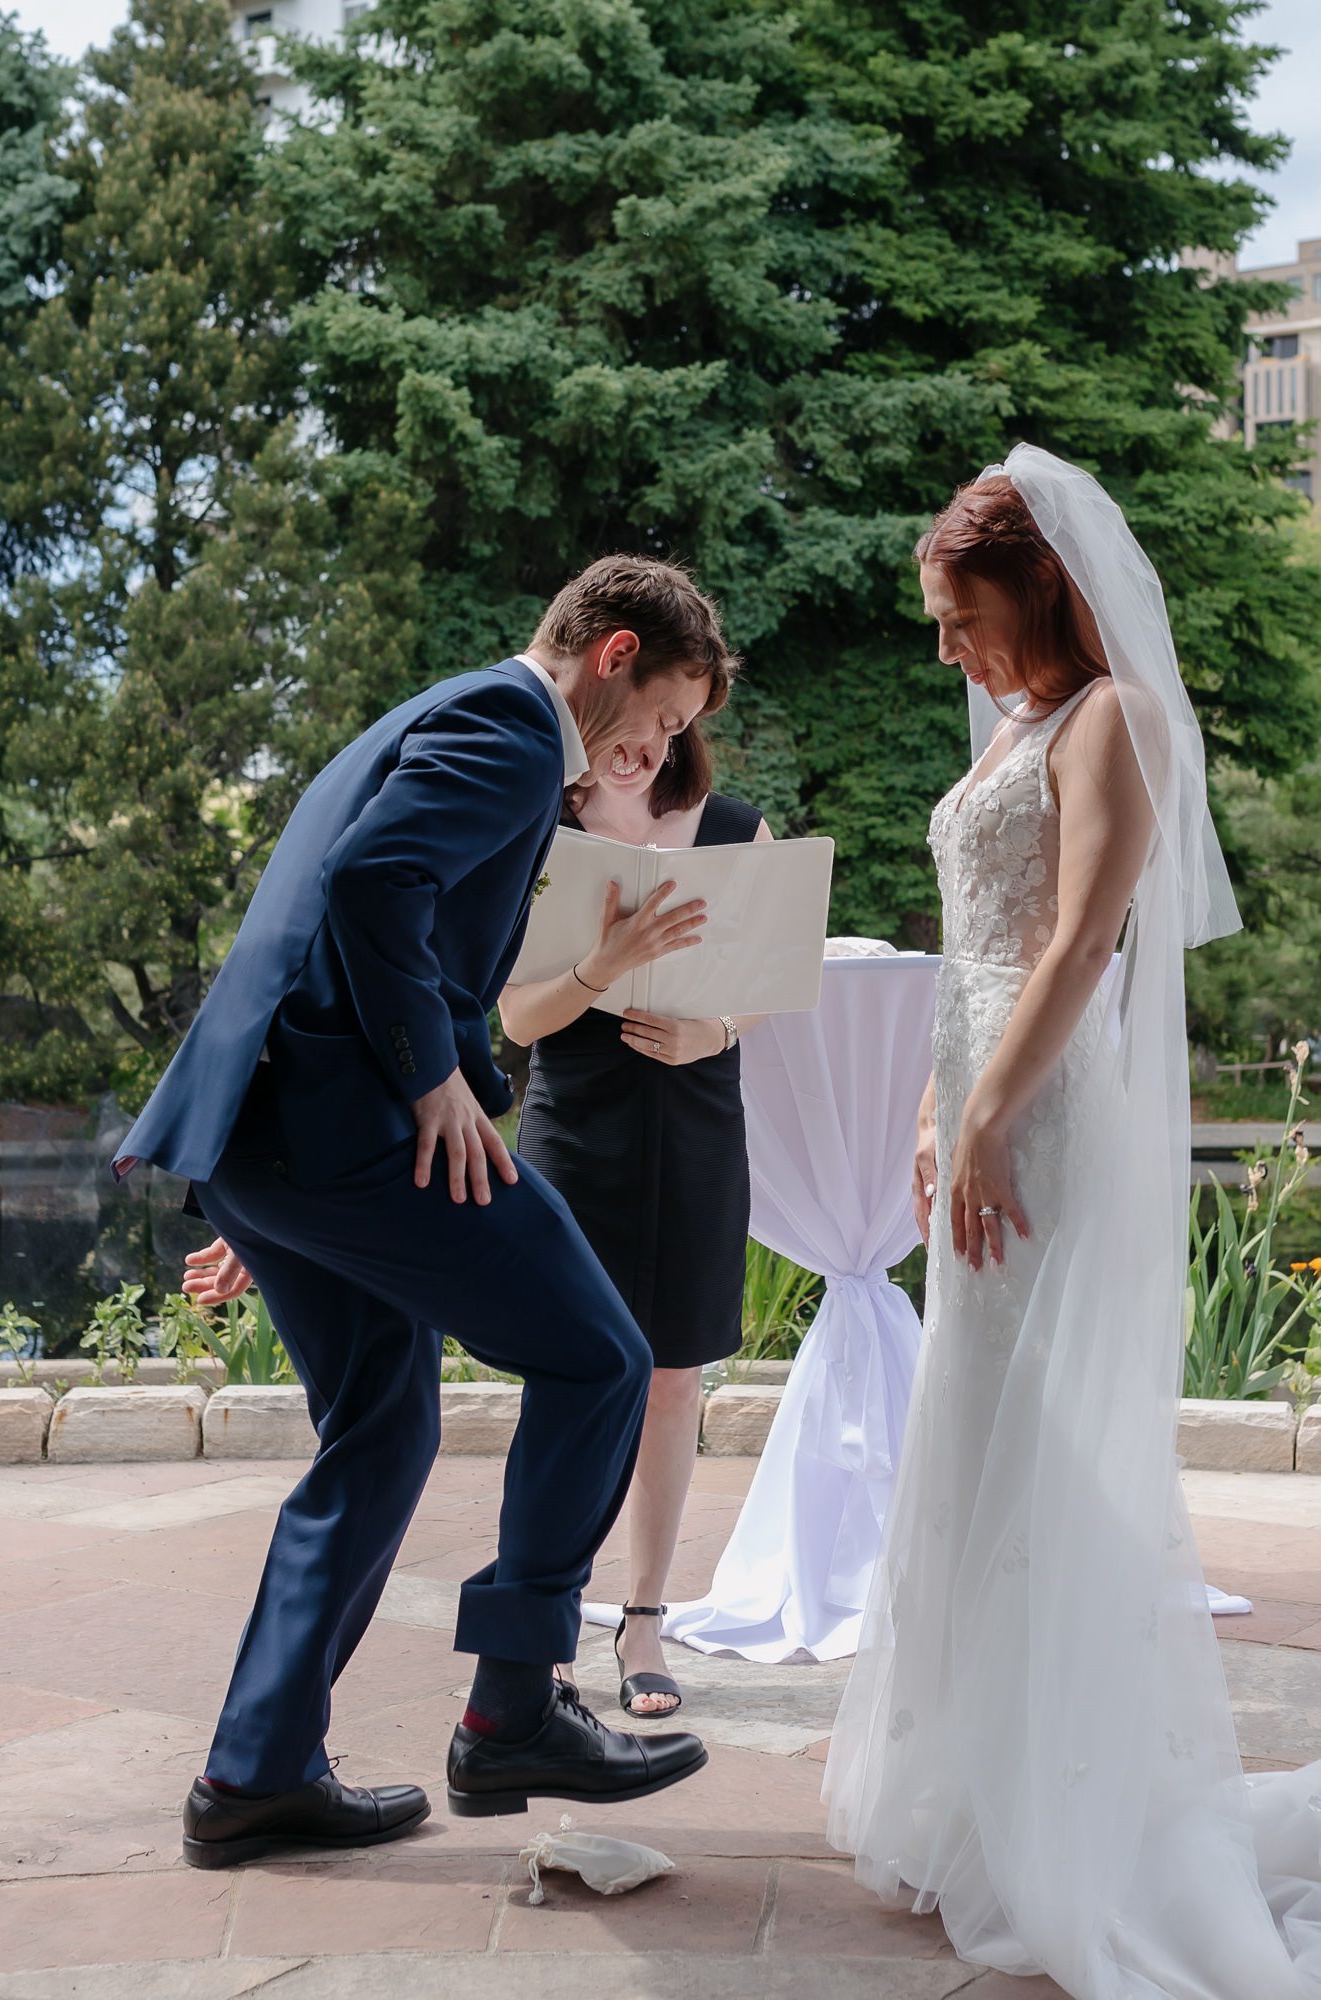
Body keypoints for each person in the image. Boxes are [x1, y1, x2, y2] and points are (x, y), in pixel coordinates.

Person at [113, 556, 731, 1867]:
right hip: (351, 1134)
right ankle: (512, 1705)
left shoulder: (444, 711)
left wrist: (274, 1187)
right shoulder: (511, 729)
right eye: (666, 719)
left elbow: (341, 911)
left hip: (286, 1140)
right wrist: (430, 1076)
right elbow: (370, 887)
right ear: (613, 654)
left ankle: (253, 1777)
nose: (657, 748)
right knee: (604, 1356)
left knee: (382, 1432)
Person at [824, 447, 1321, 1996]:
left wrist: (981, 1117)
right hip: (979, 1103)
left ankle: (1077, 1816)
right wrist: (928, 1110)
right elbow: (971, 941)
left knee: (1044, 1449)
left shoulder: (1114, 719)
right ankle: (983, 1795)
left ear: (1037, 587)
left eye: (958, 612)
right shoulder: (1015, 729)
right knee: (976, 1440)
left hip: (1043, 1122)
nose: (945, 644)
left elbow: (1086, 935)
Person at [499, 714, 771, 1716]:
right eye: (636, 720)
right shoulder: (538, 827)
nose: (650, 742)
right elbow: (517, 1019)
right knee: (571, 1374)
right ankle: (545, 1618)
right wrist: (602, 966)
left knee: (671, 1378)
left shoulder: (738, 827)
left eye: (670, 724)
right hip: (576, 1122)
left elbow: (778, 974)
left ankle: (644, 1618)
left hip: (696, 1113)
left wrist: (717, 1026)